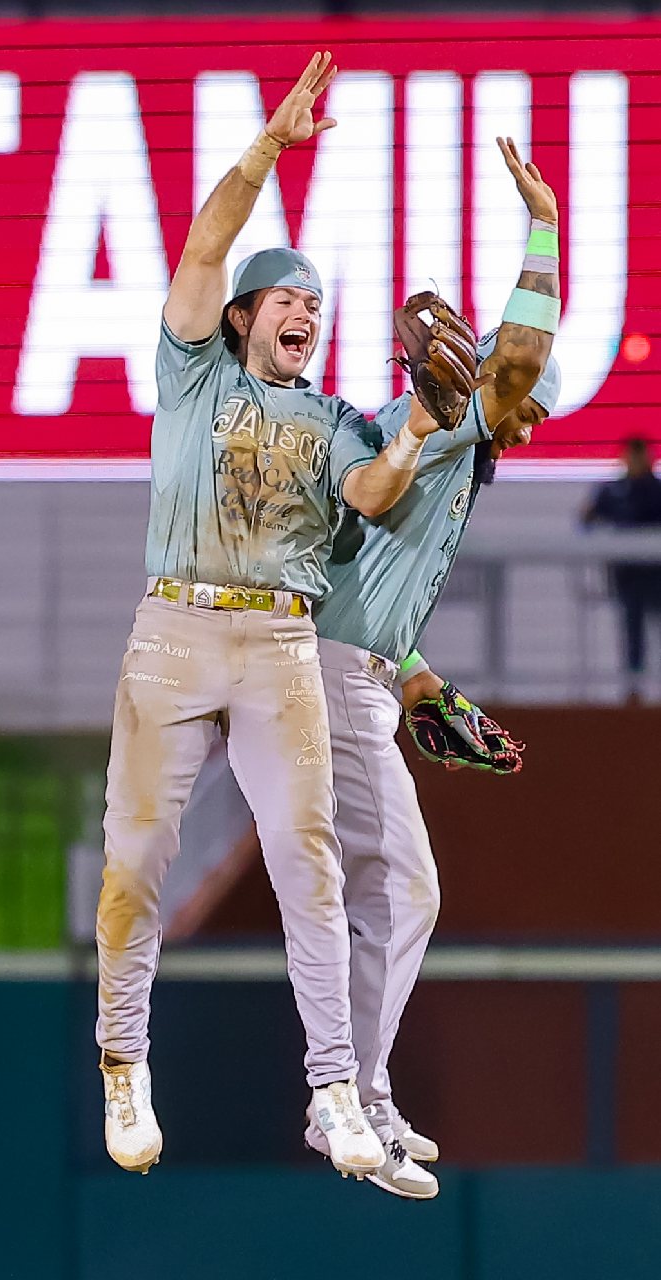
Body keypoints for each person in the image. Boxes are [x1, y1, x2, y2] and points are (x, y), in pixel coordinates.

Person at [96, 52, 453, 1181]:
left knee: (310, 863)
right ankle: (122, 1056)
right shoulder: (196, 369)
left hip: (282, 640)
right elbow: (204, 245)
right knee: (138, 853)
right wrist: (268, 151)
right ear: (244, 310)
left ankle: (339, 1089)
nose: (306, 305)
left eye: (315, 296)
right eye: (286, 292)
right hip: (175, 624)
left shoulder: (332, 414)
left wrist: (415, 430)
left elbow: (375, 492)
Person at [302, 136, 562, 1199]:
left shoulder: (427, 443)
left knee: (365, 890)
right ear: (460, 369)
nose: (530, 407)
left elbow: (362, 589)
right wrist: (542, 227)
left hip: (343, 669)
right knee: (403, 887)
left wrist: (418, 679)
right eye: (507, 386)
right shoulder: (450, 424)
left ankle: (354, 1088)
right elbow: (523, 360)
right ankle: (350, 1097)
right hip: (329, 676)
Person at [581, 438, 661, 698]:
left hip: (656, 573)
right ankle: (633, 690)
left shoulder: (656, 489)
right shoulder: (614, 489)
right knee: (632, 631)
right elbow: (587, 518)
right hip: (627, 575)